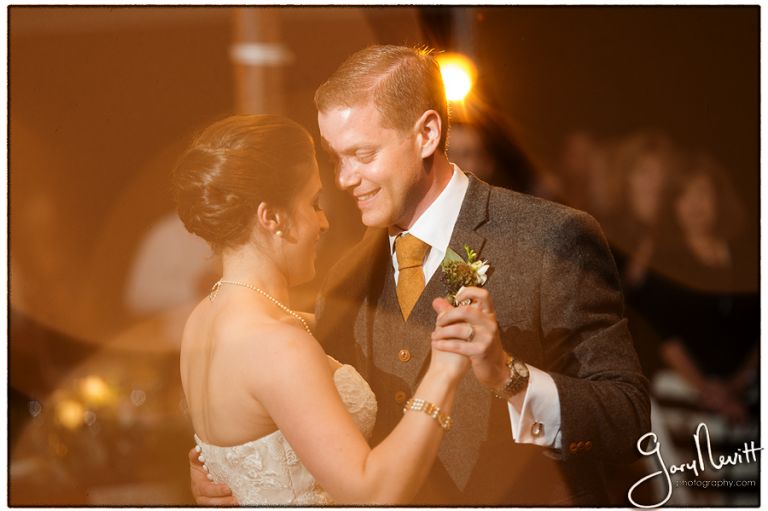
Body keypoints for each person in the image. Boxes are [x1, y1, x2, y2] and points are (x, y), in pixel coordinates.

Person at [191, 45, 650, 505]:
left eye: (362, 154)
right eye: (337, 158)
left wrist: (509, 378)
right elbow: (315, 423)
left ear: (427, 134)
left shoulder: (552, 239)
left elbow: (628, 421)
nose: (345, 178)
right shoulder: (344, 278)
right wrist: (226, 464)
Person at [173, 114, 471, 505]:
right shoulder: (277, 343)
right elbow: (373, 491)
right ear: (272, 218)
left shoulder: (202, 320)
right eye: (313, 203)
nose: (324, 222)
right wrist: (444, 373)